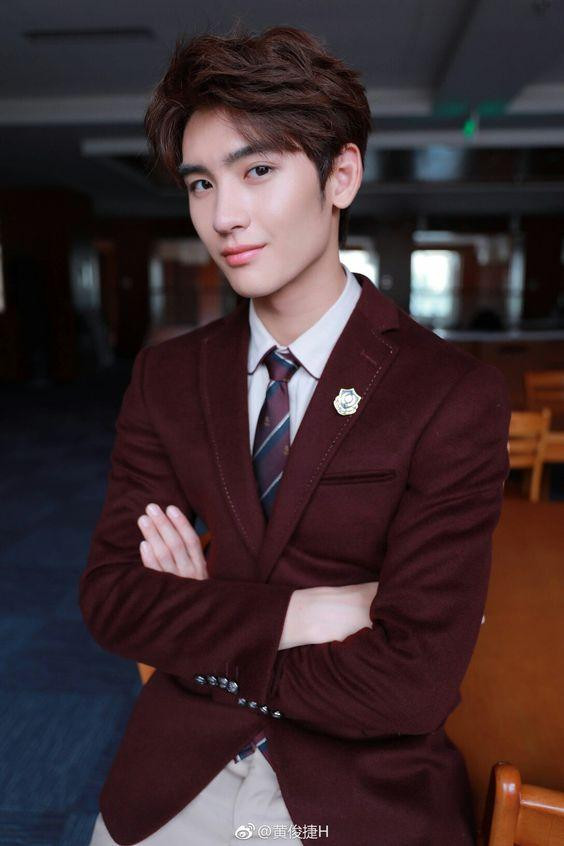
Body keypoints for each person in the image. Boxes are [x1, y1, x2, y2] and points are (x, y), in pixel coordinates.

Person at [80, 24, 511, 846]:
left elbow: (412, 682)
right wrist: (300, 614)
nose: (223, 215)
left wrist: (206, 621)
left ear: (340, 175)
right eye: (201, 183)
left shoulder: (450, 394)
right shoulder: (167, 378)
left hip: (356, 794)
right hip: (174, 778)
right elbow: (112, 600)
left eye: (258, 171)